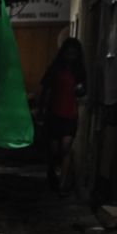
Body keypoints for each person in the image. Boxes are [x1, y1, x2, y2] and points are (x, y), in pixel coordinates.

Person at [38, 37, 86, 192]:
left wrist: (80, 90)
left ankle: (62, 183)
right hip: (54, 113)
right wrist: (41, 109)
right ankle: (52, 172)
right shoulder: (55, 69)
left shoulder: (79, 71)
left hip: (70, 114)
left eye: (74, 54)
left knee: (66, 147)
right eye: (69, 53)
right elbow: (45, 88)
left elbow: (85, 89)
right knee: (54, 149)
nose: (71, 56)